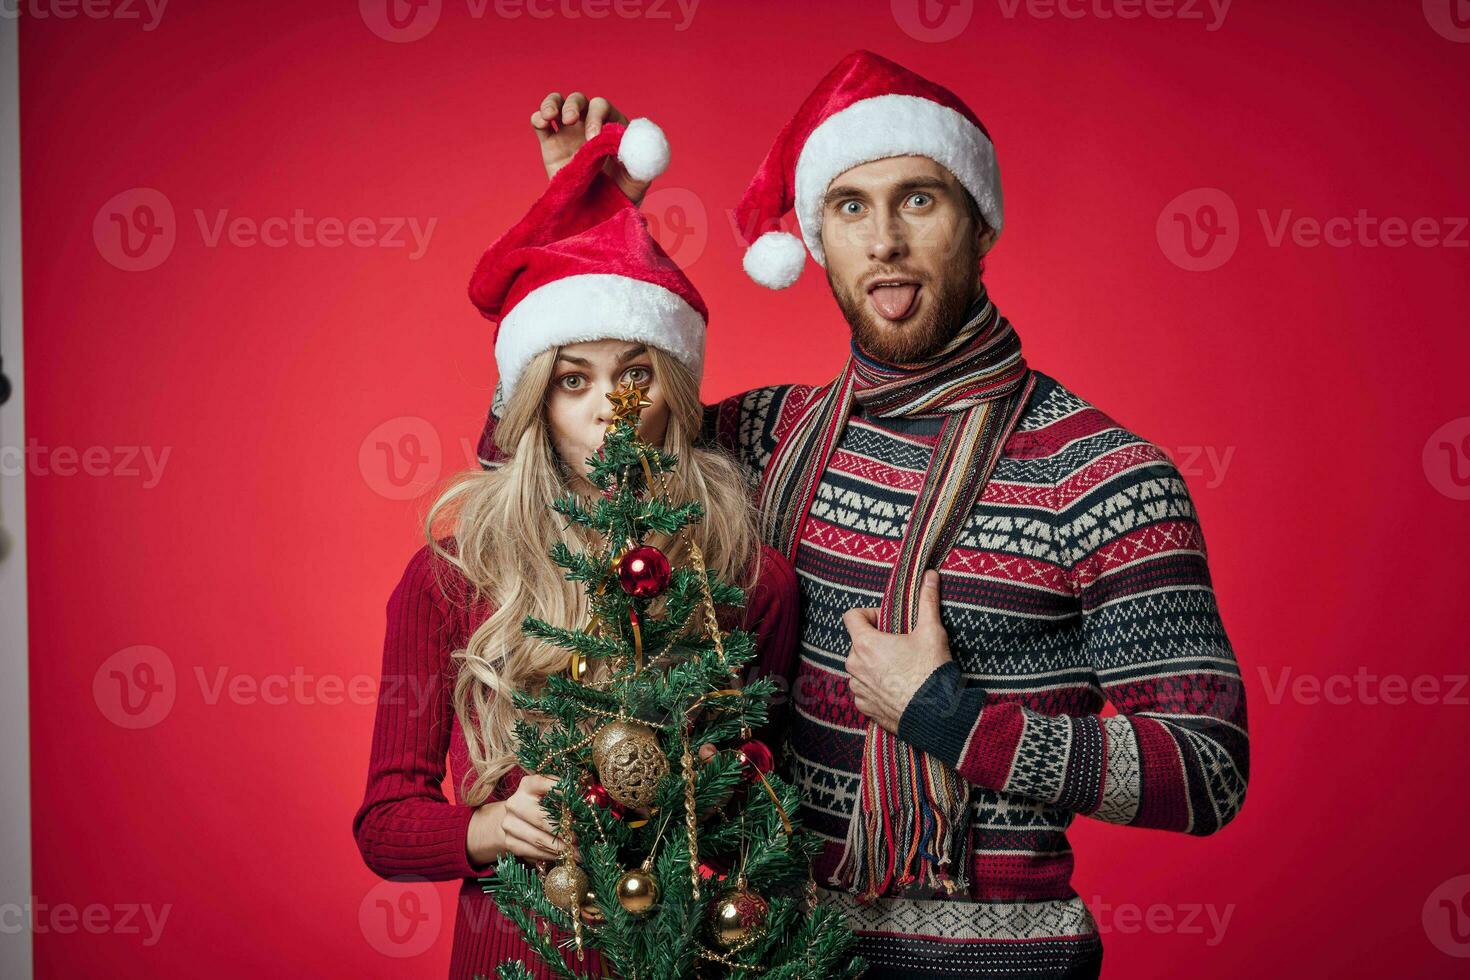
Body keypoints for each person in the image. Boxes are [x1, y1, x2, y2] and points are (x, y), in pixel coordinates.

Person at [481, 50, 1250, 979]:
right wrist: (581, 214)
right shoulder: (762, 439)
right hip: (765, 948)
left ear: (980, 223)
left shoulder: (1102, 475)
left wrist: (951, 718)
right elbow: (542, 458)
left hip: (997, 964)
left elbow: (1207, 771)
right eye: (850, 207)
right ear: (817, 239)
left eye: (919, 200)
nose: (883, 238)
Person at [353, 119, 800, 979]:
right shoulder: (453, 580)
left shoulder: (744, 577)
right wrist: (485, 829)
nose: (608, 407)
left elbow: (770, 796)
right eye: (573, 379)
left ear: (670, 392)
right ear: (537, 401)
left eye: (634, 374)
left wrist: (714, 780)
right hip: (515, 958)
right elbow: (384, 824)